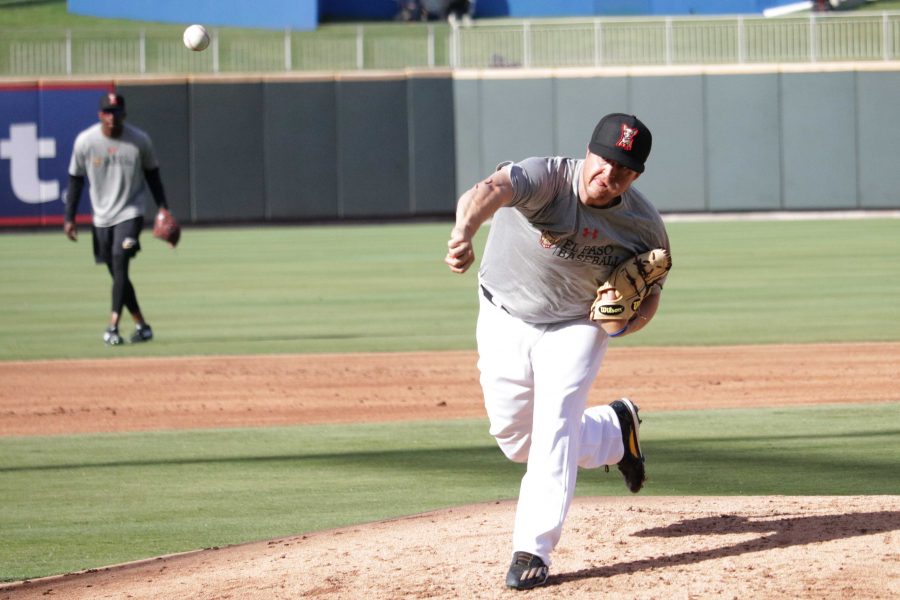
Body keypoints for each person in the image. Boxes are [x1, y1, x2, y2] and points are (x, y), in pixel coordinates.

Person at [444, 113, 670, 590]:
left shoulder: (644, 227)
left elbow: (651, 295)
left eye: (623, 171)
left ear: (636, 176)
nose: (608, 177)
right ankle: (614, 431)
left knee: (555, 427)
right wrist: (464, 231)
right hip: (505, 312)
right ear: (588, 152)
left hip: (577, 325)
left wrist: (626, 322)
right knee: (516, 440)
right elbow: (487, 192)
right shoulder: (546, 177)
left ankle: (533, 549)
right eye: (604, 161)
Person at [64, 92, 170, 346]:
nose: (113, 117)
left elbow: (153, 175)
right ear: (101, 114)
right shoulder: (86, 142)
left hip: (130, 212)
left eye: (117, 112)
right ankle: (142, 326)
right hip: (101, 217)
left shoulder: (139, 141)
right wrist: (70, 217)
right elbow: (76, 181)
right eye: (108, 113)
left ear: (124, 114)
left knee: (120, 262)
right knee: (117, 274)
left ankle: (112, 326)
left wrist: (163, 209)